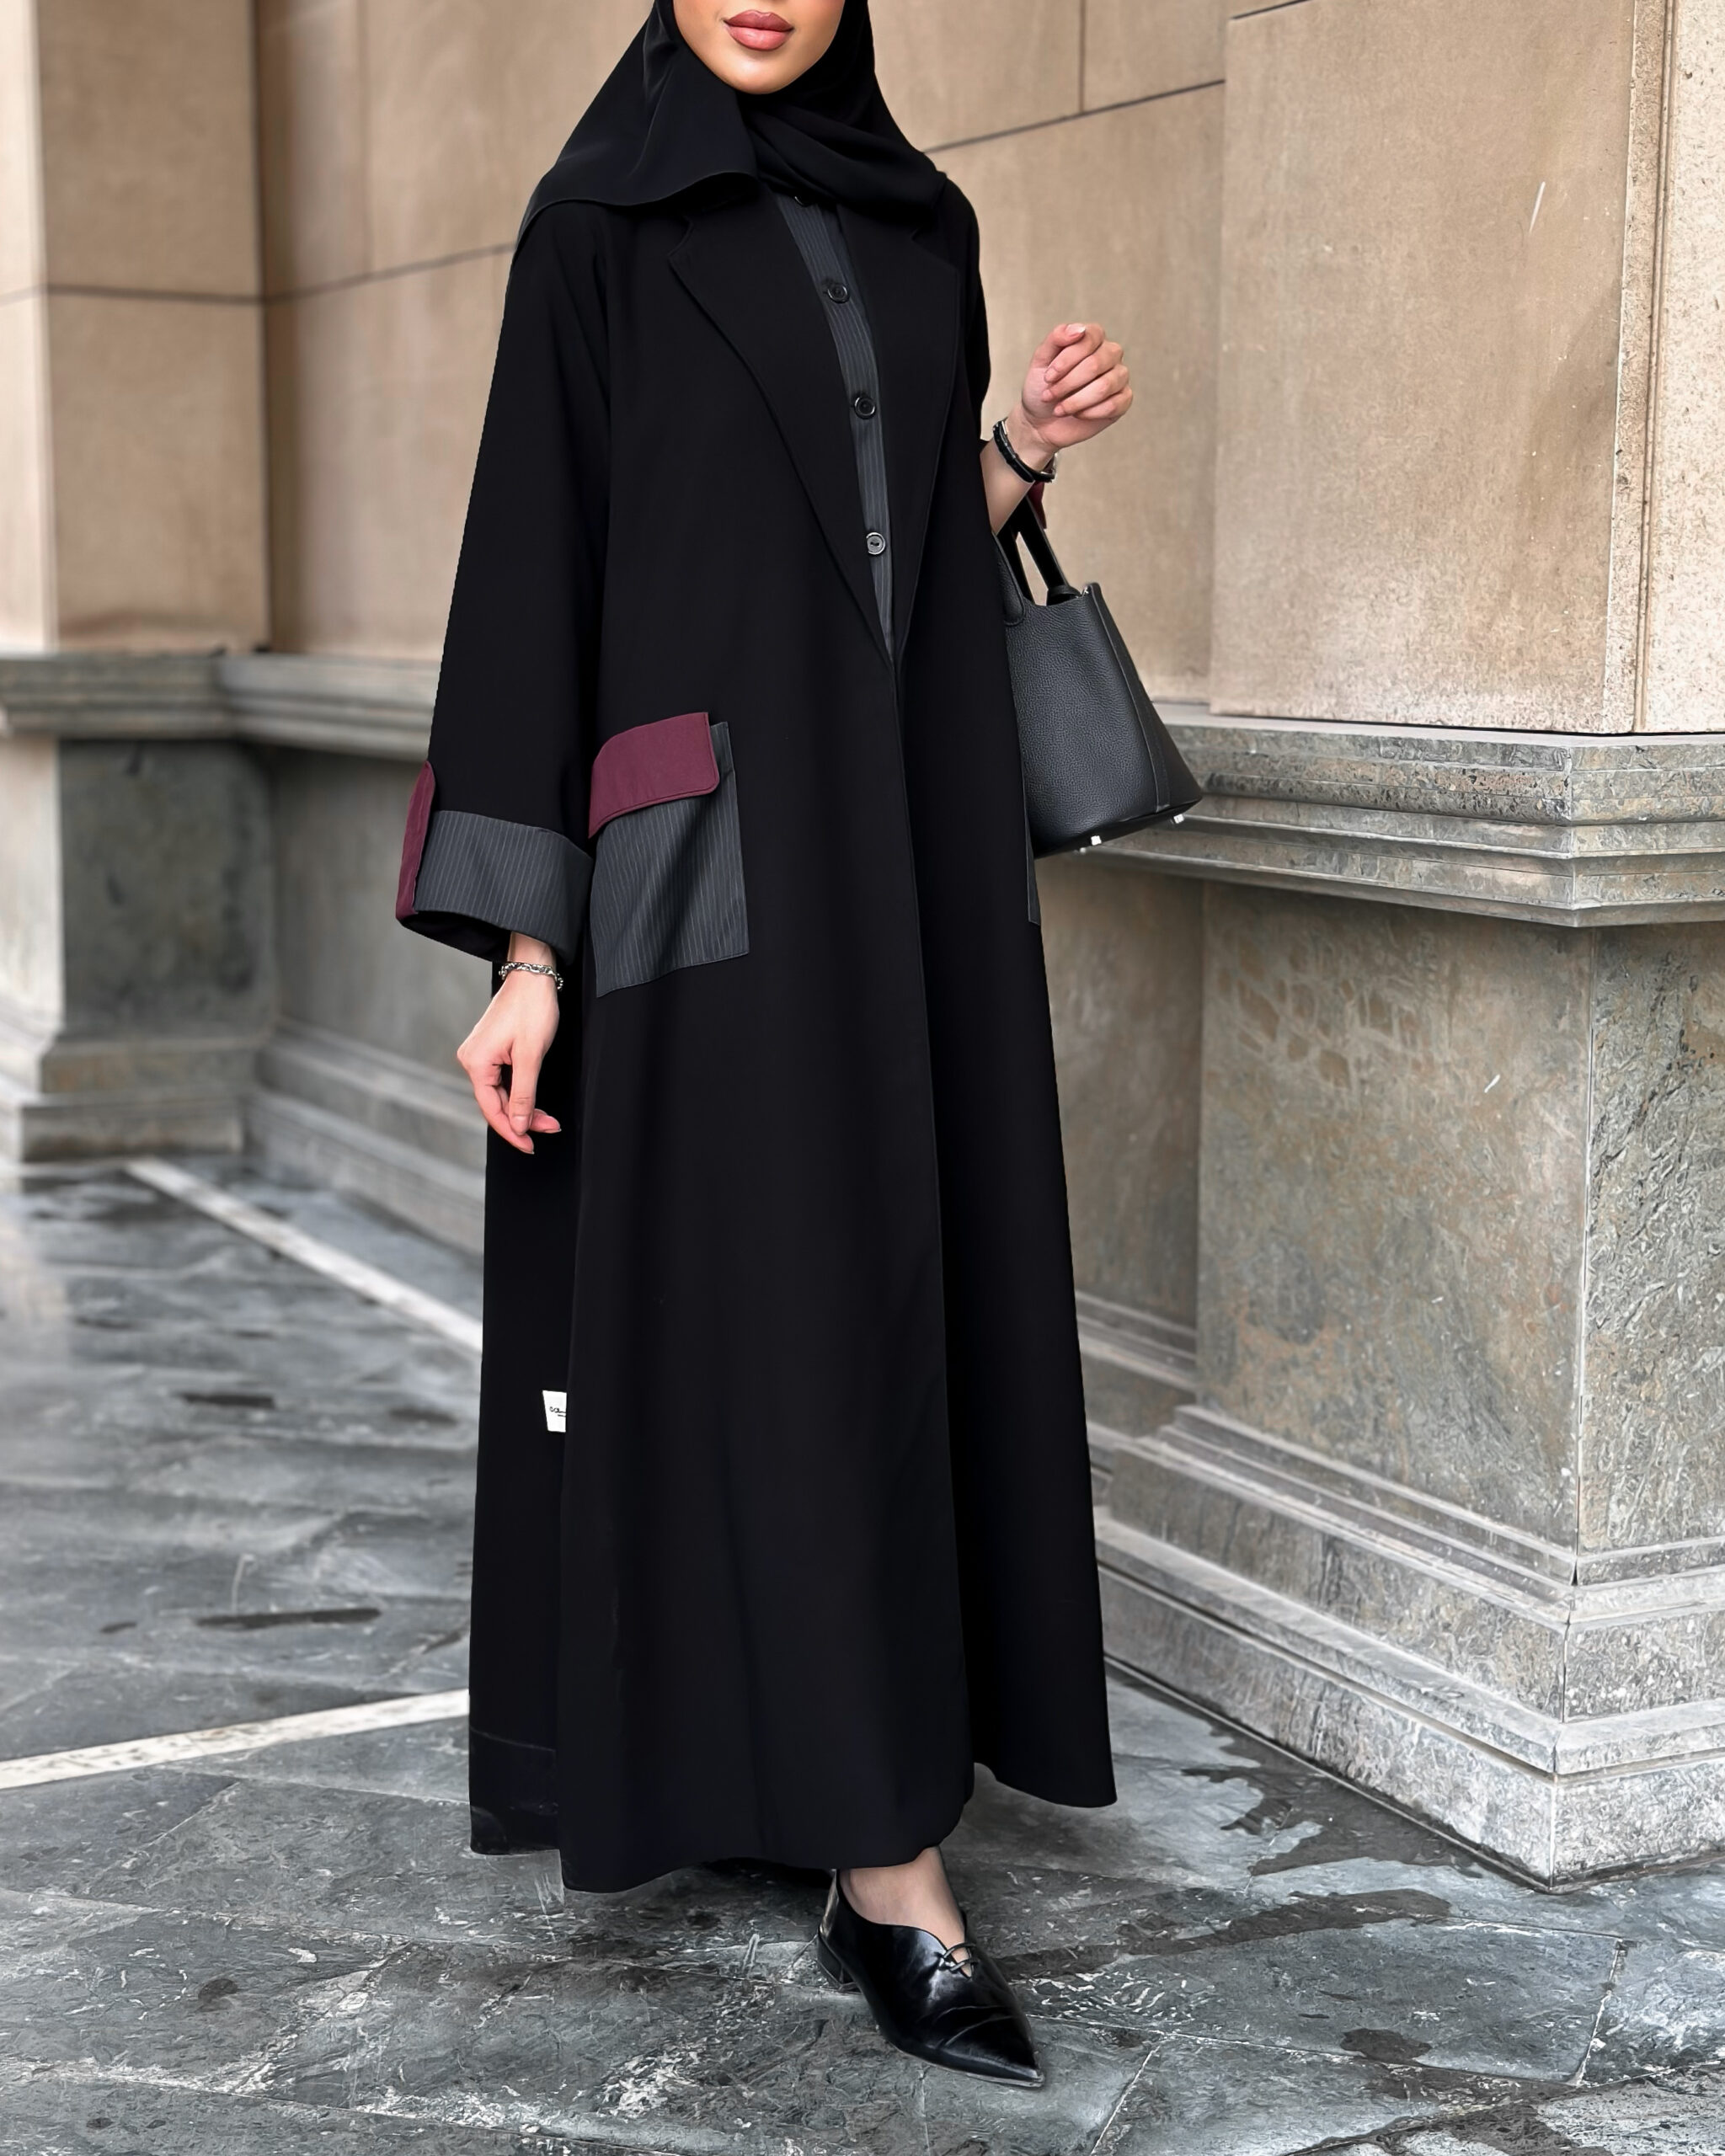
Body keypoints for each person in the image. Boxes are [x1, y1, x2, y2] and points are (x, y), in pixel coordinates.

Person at [396, 0, 1134, 2089]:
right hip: (693, 881)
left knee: (895, 1315)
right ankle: (882, 1861)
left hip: (906, 868)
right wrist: (527, 948)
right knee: (760, 1327)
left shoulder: (924, 226)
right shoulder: (595, 227)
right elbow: (532, 574)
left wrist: (1016, 453)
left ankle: (857, 1806)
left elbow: (892, 554)